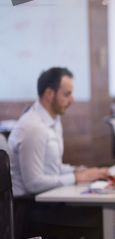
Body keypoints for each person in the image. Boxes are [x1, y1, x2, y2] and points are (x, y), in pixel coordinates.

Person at [8, 67, 109, 196]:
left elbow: (52, 168)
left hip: (47, 198)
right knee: (94, 210)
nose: (72, 100)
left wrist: (81, 171)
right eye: (67, 94)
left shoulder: (53, 120)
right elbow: (34, 183)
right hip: (30, 206)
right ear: (49, 94)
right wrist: (76, 177)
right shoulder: (34, 127)